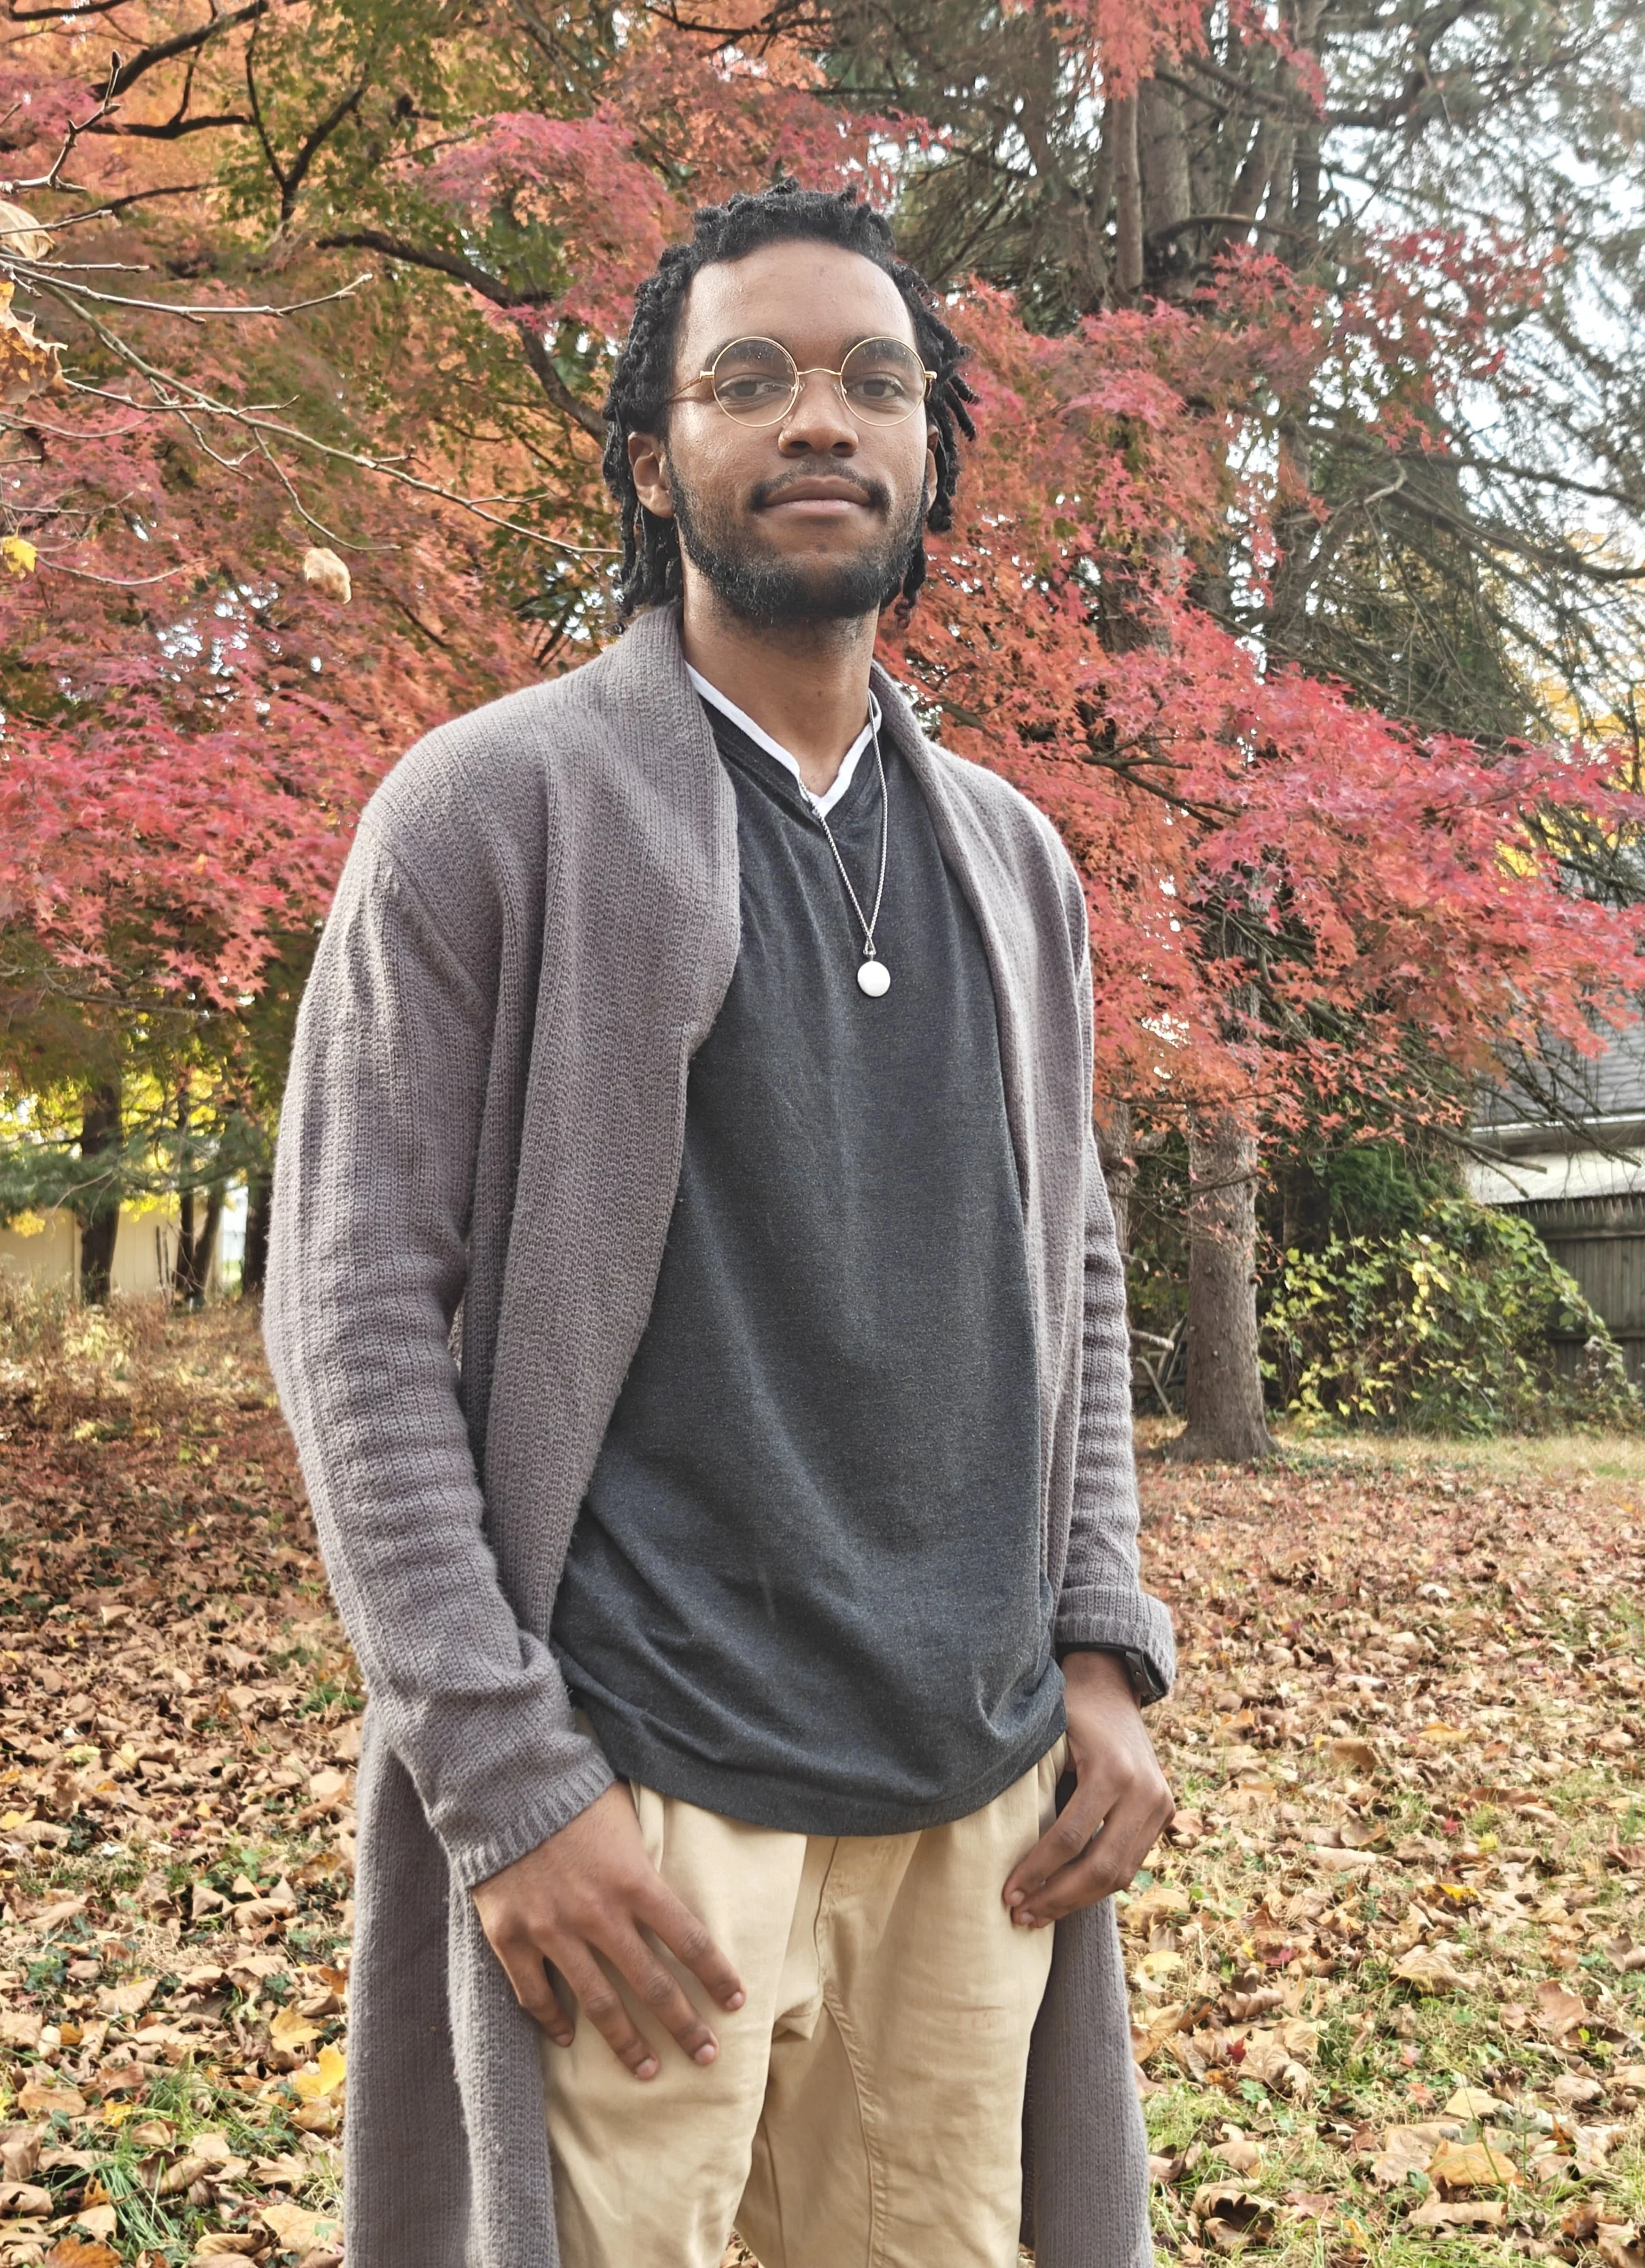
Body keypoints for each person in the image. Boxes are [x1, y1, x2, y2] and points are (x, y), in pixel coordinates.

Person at [264, 179, 1177, 2268]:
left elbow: (1077, 1267)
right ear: (653, 447)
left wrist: (1101, 1651)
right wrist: (509, 1783)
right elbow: (352, 1319)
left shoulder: (1013, 863)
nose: (816, 422)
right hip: (640, 1806)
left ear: (933, 444)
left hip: (972, 1813)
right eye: (745, 378)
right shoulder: (491, 812)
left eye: (872, 380)